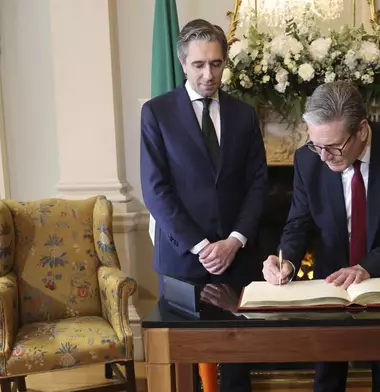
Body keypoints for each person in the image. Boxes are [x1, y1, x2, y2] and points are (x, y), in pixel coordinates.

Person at [262, 81, 380, 392]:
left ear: (362, 130)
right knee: (327, 375)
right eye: (317, 145)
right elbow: (299, 222)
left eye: (334, 146)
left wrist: (367, 266)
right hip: (334, 280)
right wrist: (285, 259)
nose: (324, 157)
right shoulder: (307, 158)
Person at [141, 18, 267, 392]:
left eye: (216, 63)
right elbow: (155, 189)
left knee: (237, 361)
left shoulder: (243, 114)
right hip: (182, 260)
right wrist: (201, 246)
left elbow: (258, 183)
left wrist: (234, 240)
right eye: (199, 65)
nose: (208, 74)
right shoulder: (156, 113)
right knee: (183, 363)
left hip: (237, 258)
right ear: (183, 64)